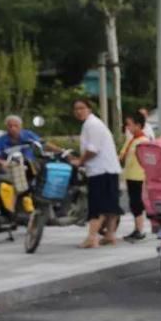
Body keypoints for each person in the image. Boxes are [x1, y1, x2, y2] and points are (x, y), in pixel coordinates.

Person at [69, 98, 123, 249]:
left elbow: (92, 149)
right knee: (110, 205)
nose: (79, 111)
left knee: (97, 205)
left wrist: (80, 161)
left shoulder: (91, 125)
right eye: (76, 109)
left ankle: (92, 238)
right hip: (109, 169)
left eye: (82, 108)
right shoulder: (94, 123)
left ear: (89, 109)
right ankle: (110, 235)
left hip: (100, 170)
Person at [119, 112, 149, 242]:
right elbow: (122, 156)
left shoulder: (144, 141)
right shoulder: (132, 140)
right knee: (133, 202)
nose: (127, 128)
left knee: (137, 203)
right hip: (130, 176)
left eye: (129, 125)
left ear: (138, 125)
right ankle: (137, 228)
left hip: (139, 177)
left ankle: (140, 229)